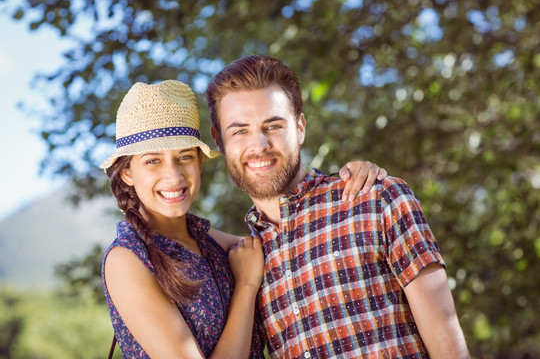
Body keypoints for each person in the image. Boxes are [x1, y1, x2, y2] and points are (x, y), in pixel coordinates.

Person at [205, 55, 471, 358]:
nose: (260, 145)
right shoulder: (243, 262)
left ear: (300, 127)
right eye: (240, 131)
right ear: (219, 140)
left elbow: (446, 336)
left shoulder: (376, 198)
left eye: (273, 125)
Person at [100, 80, 387, 358]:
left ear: (200, 163)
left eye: (184, 157)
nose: (173, 176)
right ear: (127, 173)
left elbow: (290, 244)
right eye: (153, 161)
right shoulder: (127, 259)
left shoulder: (210, 243)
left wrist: (354, 178)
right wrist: (247, 288)